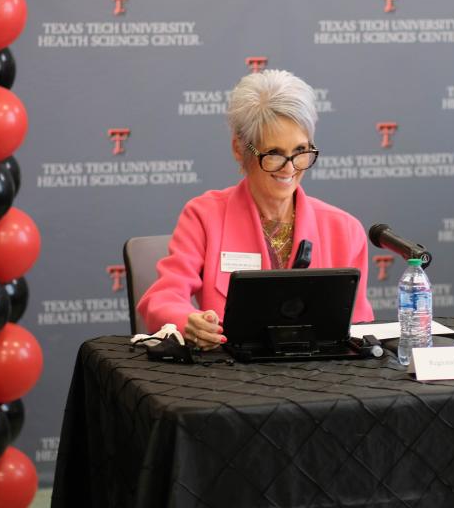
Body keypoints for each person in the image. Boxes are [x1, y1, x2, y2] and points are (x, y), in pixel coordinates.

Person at [137, 69, 374, 348]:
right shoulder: (204, 216)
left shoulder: (344, 229)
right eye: (274, 154)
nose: (289, 168)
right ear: (239, 149)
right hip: (229, 378)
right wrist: (189, 321)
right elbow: (162, 298)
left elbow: (358, 326)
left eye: (300, 152)